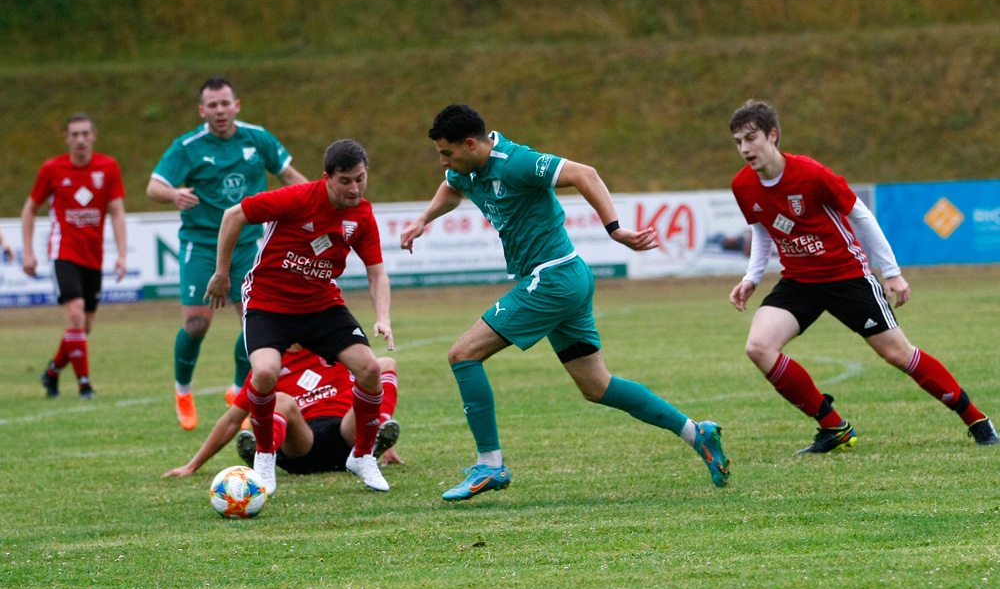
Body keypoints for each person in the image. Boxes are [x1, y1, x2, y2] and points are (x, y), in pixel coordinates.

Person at [400, 104, 730, 501]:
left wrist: (616, 230)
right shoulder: (466, 168)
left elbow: (583, 173)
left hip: (552, 278)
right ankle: (698, 434)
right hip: (565, 279)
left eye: (447, 153)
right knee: (597, 386)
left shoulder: (516, 161)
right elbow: (452, 188)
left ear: (470, 144)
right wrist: (423, 219)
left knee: (463, 355)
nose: (443, 162)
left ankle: (490, 464)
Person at [727, 99, 998, 453]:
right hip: (799, 281)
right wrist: (751, 277)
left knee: (898, 355)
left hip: (846, 275)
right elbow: (762, 230)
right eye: (738, 141)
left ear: (773, 135)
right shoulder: (742, 185)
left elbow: (862, 216)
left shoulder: (811, 174)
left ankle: (977, 419)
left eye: (752, 138)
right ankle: (833, 428)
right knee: (759, 347)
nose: (745, 148)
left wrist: (892, 272)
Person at [204, 138, 394, 495]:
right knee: (263, 372)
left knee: (370, 368)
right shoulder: (298, 198)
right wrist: (222, 273)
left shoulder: (362, 216)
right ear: (327, 178)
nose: (355, 188)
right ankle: (264, 456)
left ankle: (363, 456)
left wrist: (382, 316)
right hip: (269, 302)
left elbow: (377, 272)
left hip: (320, 303)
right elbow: (234, 215)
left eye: (361, 179)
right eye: (346, 181)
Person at [147, 76, 307, 431]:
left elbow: (290, 176)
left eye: (225, 103)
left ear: (237, 105)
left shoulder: (257, 138)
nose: (220, 111)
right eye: (212, 105)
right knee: (197, 324)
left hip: (249, 245)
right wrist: (173, 195)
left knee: (257, 325)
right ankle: (183, 391)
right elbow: (153, 186)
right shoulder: (188, 146)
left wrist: (320, 200)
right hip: (201, 244)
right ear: (202, 110)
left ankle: (239, 391)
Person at [162, 345, 403, 480]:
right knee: (280, 401)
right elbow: (232, 420)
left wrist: (385, 443)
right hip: (302, 444)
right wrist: (193, 465)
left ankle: (373, 443)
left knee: (383, 365)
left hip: (348, 437)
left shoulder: (336, 347)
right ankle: (265, 454)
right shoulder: (269, 366)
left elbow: (371, 391)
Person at [20, 113, 127, 400]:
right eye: (74, 134)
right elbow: (29, 209)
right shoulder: (52, 169)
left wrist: (122, 255)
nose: (80, 139)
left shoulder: (108, 167)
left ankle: (53, 371)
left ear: (94, 136)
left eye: (85, 134)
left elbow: (116, 211)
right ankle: (84, 384)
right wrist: (28, 252)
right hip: (63, 251)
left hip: (94, 255)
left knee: (84, 325)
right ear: (66, 138)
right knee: (76, 313)